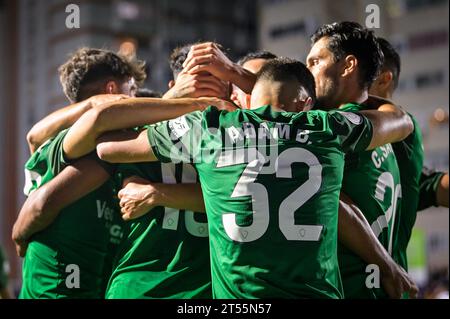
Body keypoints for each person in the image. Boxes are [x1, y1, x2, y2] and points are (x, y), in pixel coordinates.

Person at [80, 57, 415, 298]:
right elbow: (401, 122)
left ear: (248, 98)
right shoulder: (326, 128)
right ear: (306, 103)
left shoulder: (210, 128)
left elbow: (108, 147)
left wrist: (189, 105)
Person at [12, 47, 145, 298]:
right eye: (133, 91)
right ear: (112, 91)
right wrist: (19, 233)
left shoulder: (56, 139)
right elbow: (40, 206)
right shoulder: (87, 149)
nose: (135, 99)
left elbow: (33, 136)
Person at [306, 22, 405, 298]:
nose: (308, 71)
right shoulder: (387, 125)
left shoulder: (326, 129)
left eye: (315, 61)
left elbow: (333, 202)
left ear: (348, 65)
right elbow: (403, 119)